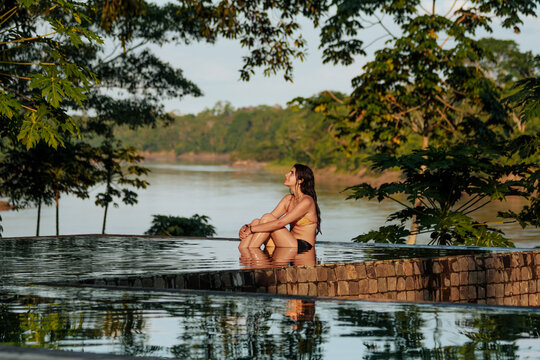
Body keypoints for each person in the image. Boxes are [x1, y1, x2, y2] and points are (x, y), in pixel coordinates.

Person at [238, 163, 321, 252]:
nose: (286, 174)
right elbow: (270, 218)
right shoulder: (288, 199)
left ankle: (249, 253)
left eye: (291, 173)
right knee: (256, 222)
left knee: (265, 219)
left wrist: (251, 229)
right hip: (286, 242)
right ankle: (243, 254)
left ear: (300, 180)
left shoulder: (307, 201)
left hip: (301, 246)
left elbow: (280, 223)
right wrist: (247, 227)